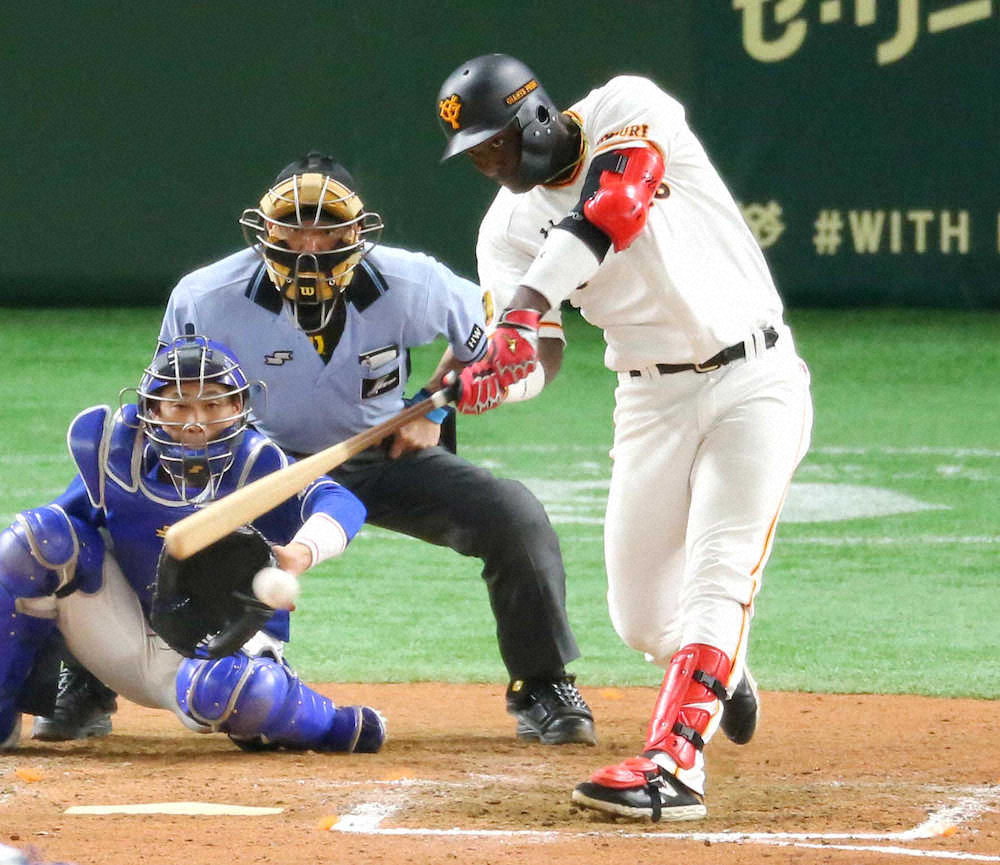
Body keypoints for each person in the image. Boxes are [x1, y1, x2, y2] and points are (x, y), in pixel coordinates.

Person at [436, 54, 814, 820]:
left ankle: (674, 762)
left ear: (535, 115)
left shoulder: (627, 107)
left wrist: (519, 313)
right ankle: (720, 665)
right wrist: (498, 379)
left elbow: (616, 204)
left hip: (754, 379)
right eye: (474, 154)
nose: (489, 163)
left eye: (495, 142)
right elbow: (538, 349)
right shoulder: (505, 232)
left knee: (719, 571)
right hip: (650, 401)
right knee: (640, 615)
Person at [156, 152, 596, 746]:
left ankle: (542, 683)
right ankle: (90, 679)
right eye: (292, 227)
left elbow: (504, 342)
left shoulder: (413, 282)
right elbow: (167, 400)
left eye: (327, 229)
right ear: (264, 229)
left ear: (357, 234)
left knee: (512, 514)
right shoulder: (205, 297)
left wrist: (437, 404)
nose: (309, 246)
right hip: (258, 465)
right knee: (141, 519)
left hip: (382, 457)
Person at [1, 335, 385, 754]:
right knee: (38, 542)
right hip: (121, 629)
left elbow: (340, 502)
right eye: (179, 405)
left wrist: (301, 551)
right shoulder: (117, 456)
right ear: (151, 409)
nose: (195, 421)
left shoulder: (260, 463)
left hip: (219, 648)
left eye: (213, 404)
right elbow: (44, 550)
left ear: (238, 407)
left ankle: (330, 724)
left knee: (239, 692)